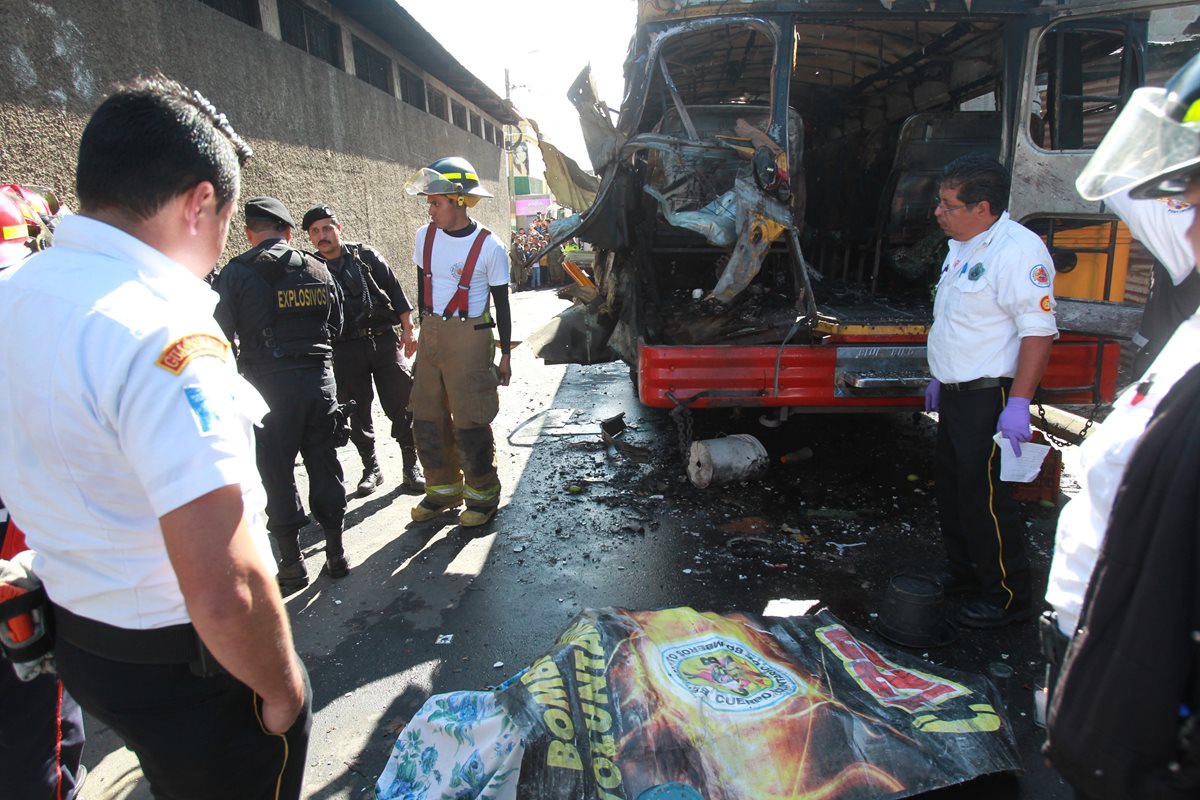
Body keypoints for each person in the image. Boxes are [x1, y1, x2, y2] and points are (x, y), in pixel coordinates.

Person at [0, 77, 311, 799]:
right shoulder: (163, 330)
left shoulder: (19, 295)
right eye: (227, 220)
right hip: (185, 666)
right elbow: (227, 586)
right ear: (200, 202)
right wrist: (284, 688)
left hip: (79, 640)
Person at [1042, 53, 1200, 799]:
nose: (1187, 222)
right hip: (1099, 655)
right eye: (1189, 197)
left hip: (1151, 723)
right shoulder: (1192, 317)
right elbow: (1135, 161)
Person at [923, 153, 1058, 629]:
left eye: (947, 205)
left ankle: (1008, 598)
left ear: (982, 207)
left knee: (986, 501)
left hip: (990, 396)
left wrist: (1018, 402)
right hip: (958, 392)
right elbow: (959, 318)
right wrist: (941, 373)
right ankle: (964, 576)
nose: (938, 212)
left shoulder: (1018, 252)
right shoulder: (961, 244)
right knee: (955, 492)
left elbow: (1037, 331)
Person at [213, 196, 348, 593]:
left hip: (266, 389)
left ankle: (292, 564)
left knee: (276, 471)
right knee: (325, 463)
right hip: (319, 382)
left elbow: (218, 338)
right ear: (289, 233)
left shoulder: (236, 273)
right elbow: (337, 326)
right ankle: (337, 553)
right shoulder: (319, 268)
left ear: (250, 233)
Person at [404, 156, 512, 527]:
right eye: (429, 202)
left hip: (471, 336)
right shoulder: (424, 236)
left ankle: (482, 496)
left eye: (436, 202)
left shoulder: (489, 246)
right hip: (433, 330)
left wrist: (505, 356)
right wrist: (421, 330)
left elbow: (502, 303)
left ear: (459, 201)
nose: (430, 209)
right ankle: (442, 491)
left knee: (470, 418)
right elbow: (423, 288)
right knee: (427, 416)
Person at [302, 205, 424, 497]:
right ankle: (371, 469)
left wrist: (408, 331)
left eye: (327, 228)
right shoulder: (309, 268)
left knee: (402, 403)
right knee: (356, 410)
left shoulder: (365, 256)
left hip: (382, 341)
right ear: (309, 236)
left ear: (338, 228)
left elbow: (397, 294)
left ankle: (411, 466)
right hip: (344, 349)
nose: (323, 236)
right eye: (315, 232)